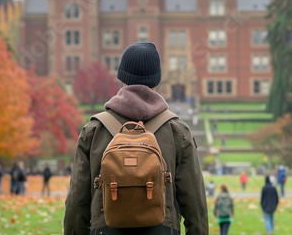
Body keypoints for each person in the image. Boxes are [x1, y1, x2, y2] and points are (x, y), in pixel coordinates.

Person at [64, 42, 208, 235]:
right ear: (156, 80)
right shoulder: (177, 131)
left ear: (122, 77)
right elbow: (195, 202)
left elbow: (76, 200)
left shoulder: (94, 130)